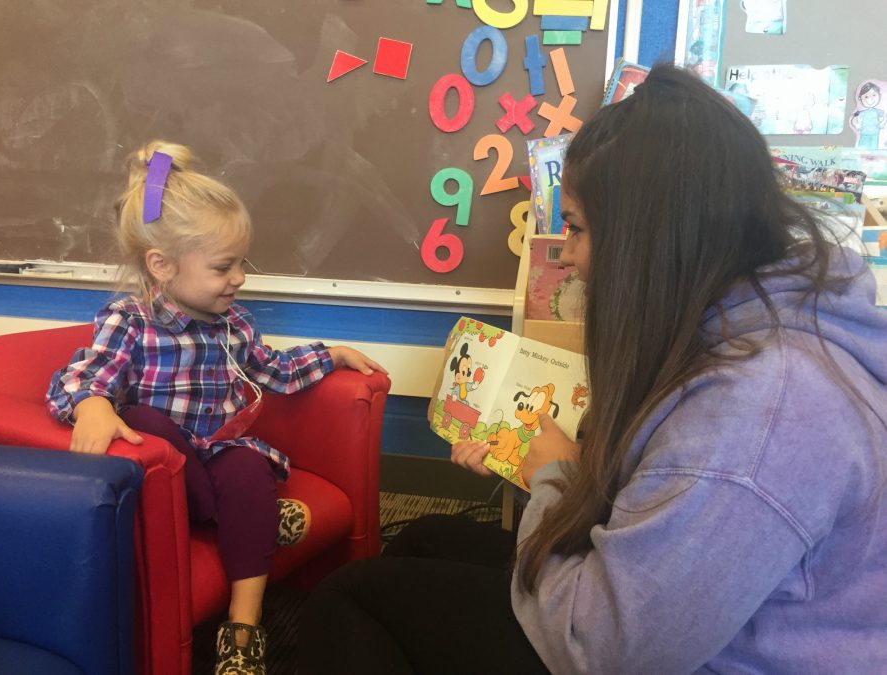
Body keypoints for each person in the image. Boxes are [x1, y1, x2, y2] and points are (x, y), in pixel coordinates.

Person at [297, 64, 887, 674]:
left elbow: (600, 649)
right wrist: (570, 476)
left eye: (576, 229)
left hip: (652, 654)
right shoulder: (755, 332)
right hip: (680, 627)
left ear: (646, 238)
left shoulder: (764, 413)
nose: (571, 256)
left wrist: (554, 477)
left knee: (350, 601)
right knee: (423, 540)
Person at [45, 140, 386, 675]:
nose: (240, 278)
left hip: (220, 453)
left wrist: (331, 354)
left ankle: (243, 627)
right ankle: (257, 519)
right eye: (224, 266)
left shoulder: (236, 324)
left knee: (247, 465)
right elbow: (82, 377)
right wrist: (90, 404)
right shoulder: (129, 320)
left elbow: (274, 370)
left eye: (241, 264)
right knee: (143, 419)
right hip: (168, 466)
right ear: (162, 265)